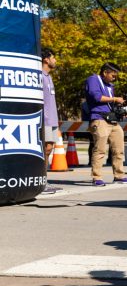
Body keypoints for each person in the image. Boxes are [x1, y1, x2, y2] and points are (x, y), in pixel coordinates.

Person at [83, 63, 127, 187]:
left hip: (112, 120)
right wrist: (115, 99)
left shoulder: (110, 86)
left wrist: (121, 113)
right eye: (113, 75)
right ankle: (97, 177)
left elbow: (111, 105)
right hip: (99, 119)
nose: (114, 78)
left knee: (118, 149)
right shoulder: (93, 79)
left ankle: (119, 175)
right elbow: (96, 97)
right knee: (100, 149)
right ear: (105, 72)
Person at [40, 49, 61, 186]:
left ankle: (44, 179)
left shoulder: (49, 77)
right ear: (46, 59)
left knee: (49, 149)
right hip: (45, 119)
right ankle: (41, 180)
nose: (55, 60)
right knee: (44, 149)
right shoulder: (39, 75)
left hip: (52, 120)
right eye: (53, 57)